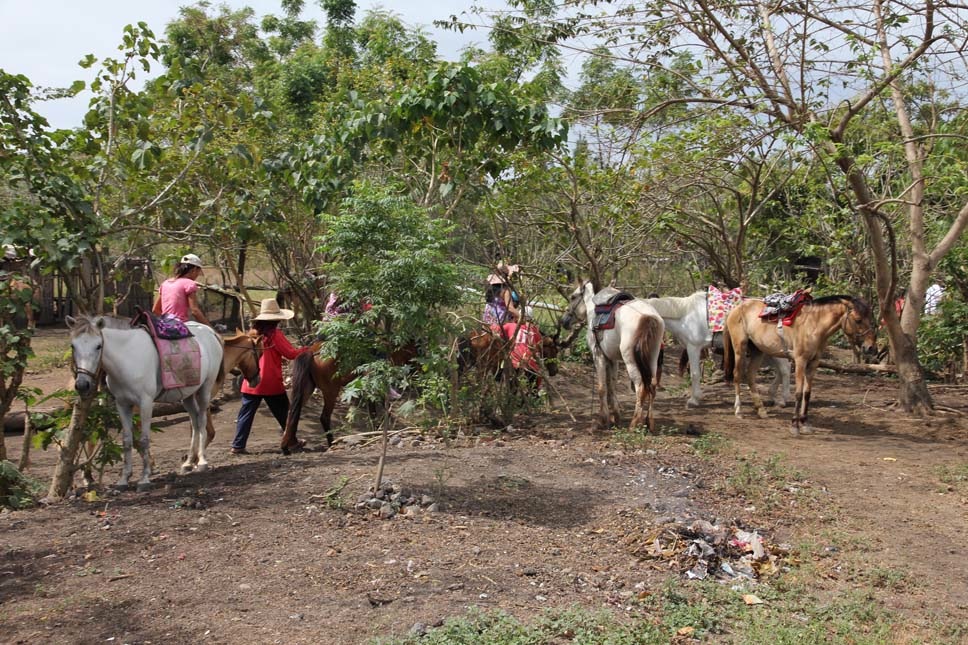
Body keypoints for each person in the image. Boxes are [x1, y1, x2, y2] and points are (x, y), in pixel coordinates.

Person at [230, 298, 313, 454]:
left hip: (250, 381)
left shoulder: (252, 334)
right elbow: (290, 354)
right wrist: (308, 349)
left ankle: (238, 445)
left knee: (245, 414)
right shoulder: (275, 334)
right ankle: (292, 442)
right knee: (284, 412)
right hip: (270, 381)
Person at [152, 253, 212, 326]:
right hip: (180, 325)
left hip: (165, 324)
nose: (197, 275)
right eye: (198, 272)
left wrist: (168, 321)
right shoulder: (189, 283)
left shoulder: (165, 283)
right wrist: (210, 327)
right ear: (194, 269)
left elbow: (155, 309)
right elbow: (195, 311)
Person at [483, 261, 520, 330]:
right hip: (500, 321)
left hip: (488, 319)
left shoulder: (491, 288)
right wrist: (521, 316)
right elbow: (510, 308)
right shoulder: (505, 290)